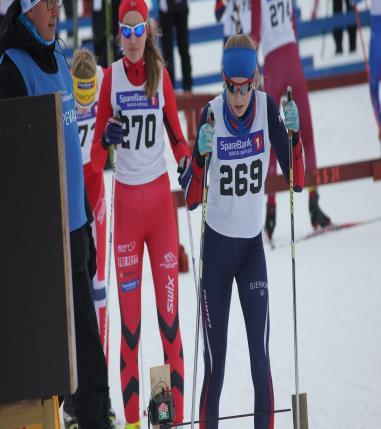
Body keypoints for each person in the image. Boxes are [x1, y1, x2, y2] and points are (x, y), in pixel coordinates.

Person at [183, 34, 304, 429]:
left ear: (256, 79)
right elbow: (189, 200)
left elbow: (297, 181)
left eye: (246, 86)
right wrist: (200, 159)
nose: (239, 98)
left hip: (252, 252)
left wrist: (294, 137)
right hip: (216, 251)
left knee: (260, 359)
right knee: (214, 365)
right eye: (232, 87)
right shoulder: (211, 114)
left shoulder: (268, 109)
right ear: (223, 80)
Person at [0, 2, 111, 429]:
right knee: (53, 369)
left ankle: (90, 418)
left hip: (75, 233)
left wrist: (85, 222)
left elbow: (71, 151)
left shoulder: (60, 55)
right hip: (42, 245)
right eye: (46, 1)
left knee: (88, 366)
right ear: (26, 9)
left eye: (58, 0)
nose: (56, 8)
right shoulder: (12, 68)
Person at [90, 0, 190, 427]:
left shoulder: (160, 76)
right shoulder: (109, 78)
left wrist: (188, 163)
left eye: (139, 31)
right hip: (128, 211)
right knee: (130, 330)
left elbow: (178, 139)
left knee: (169, 324)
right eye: (125, 32)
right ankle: (133, 422)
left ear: (148, 31)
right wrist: (107, 138)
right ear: (119, 35)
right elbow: (94, 160)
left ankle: (171, 417)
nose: (132, 40)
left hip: (161, 212)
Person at [60, 48, 117, 429]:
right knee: (71, 297)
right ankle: (71, 398)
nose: (84, 96)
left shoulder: (101, 77)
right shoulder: (65, 80)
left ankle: (100, 390)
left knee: (97, 294)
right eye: (79, 92)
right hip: (73, 187)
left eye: (87, 91)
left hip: (94, 189)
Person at [251, 0, 331, 240]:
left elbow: (255, 34)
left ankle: (271, 209)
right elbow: (294, 23)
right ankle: (314, 202)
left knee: (273, 141)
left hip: (274, 62)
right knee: (308, 137)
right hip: (291, 56)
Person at [150, 0, 192, 91]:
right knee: (167, 52)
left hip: (182, 7)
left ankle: (188, 88)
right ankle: (169, 88)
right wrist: (155, 13)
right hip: (165, 10)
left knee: (184, 49)